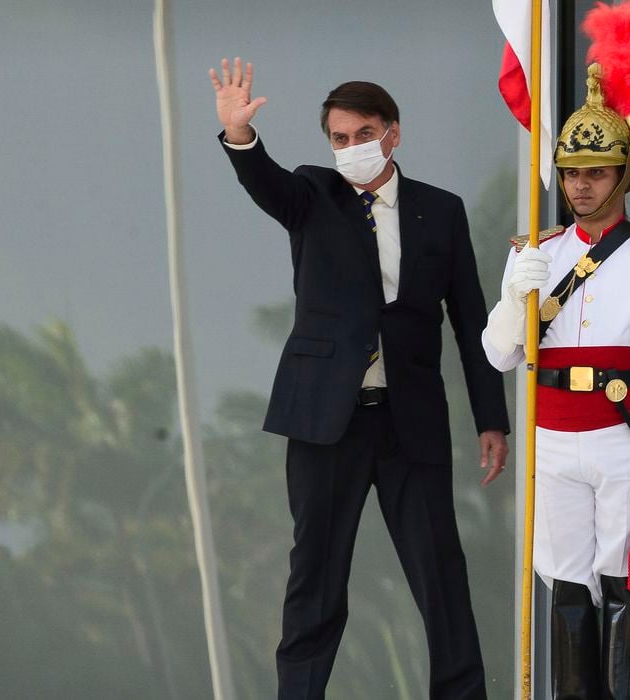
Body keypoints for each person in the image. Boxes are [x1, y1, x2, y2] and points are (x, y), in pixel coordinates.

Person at [208, 57, 510, 699]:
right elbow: (264, 182)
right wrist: (239, 135)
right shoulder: (312, 195)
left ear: (393, 132)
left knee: (441, 575)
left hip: (411, 422)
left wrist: (491, 419)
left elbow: (472, 322)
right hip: (326, 420)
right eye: (340, 138)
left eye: (364, 134)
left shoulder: (441, 211)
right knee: (315, 578)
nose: (352, 148)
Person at [481, 62, 630, 698]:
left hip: (623, 434)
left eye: (596, 172)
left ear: (623, 174)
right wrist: (515, 297)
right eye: (571, 172)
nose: (580, 186)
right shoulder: (534, 252)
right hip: (553, 435)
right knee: (565, 579)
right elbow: (500, 355)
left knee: (620, 576)